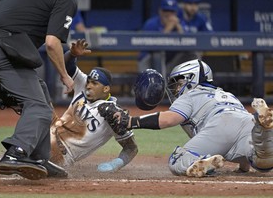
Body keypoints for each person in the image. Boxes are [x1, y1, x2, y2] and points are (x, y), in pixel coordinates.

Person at [101, 59, 273, 177]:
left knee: (177, 161)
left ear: (192, 78)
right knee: (260, 161)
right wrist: (243, 169)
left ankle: (203, 163)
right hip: (247, 120)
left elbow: (168, 119)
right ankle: (264, 138)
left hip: (218, 125)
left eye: (179, 81)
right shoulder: (227, 94)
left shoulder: (191, 95)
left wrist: (131, 121)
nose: (176, 87)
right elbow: (236, 131)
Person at [0, 0, 77, 180]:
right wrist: (64, 75)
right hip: (1, 48)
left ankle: (38, 158)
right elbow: (52, 43)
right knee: (39, 107)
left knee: (40, 93)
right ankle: (16, 153)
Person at [49, 39, 138, 172]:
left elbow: (131, 148)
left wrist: (115, 164)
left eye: (95, 84)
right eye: (89, 82)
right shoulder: (83, 85)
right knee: (40, 89)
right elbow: (66, 66)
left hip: (62, 153)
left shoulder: (113, 112)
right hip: (49, 132)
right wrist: (72, 54)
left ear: (106, 89)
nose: (89, 86)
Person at [138, 0, 198, 75]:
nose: (168, 14)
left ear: (176, 13)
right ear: (160, 11)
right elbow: (155, 46)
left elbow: (188, 42)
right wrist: (168, 28)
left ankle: (190, 83)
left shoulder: (180, 23)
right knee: (158, 54)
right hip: (149, 61)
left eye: (172, 11)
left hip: (170, 61)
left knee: (192, 53)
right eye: (165, 10)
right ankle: (160, 85)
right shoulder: (151, 24)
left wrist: (178, 27)